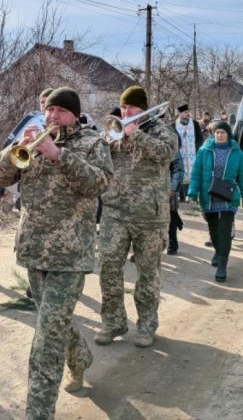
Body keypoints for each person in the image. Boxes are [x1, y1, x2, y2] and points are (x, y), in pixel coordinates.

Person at [0, 86, 113, 419]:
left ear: (73, 114)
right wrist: (15, 148)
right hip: (33, 251)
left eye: (59, 111)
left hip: (71, 257)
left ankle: (38, 413)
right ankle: (80, 357)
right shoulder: (31, 143)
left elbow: (99, 184)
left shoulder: (93, 144)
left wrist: (60, 156)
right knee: (53, 322)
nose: (52, 116)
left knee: (46, 338)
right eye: (49, 110)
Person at [97, 86, 178, 348]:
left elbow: (168, 154)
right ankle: (113, 322)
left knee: (147, 274)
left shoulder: (162, 131)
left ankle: (146, 325)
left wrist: (137, 134)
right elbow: (98, 160)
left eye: (131, 107)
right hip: (115, 212)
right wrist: (105, 142)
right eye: (123, 108)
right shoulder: (115, 131)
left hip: (150, 217)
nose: (126, 112)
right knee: (108, 268)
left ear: (143, 109)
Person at [187, 121, 243, 282]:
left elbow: (242, 176)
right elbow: (196, 173)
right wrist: (192, 193)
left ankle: (222, 265)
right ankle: (219, 252)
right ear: (214, 134)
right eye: (217, 132)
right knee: (214, 229)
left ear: (228, 134)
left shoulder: (237, 153)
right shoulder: (204, 151)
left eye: (222, 132)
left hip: (228, 196)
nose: (219, 135)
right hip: (208, 195)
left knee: (225, 231)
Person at [172, 104, 203, 200]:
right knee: (181, 174)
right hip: (180, 155)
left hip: (193, 155)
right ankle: (182, 197)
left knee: (194, 174)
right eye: (185, 112)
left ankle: (192, 196)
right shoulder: (173, 125)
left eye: (188, 112)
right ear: (180, 113)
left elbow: (200, 139)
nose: (187, 114)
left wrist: (196, 150)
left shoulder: (195, 124)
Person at [167, 146, 185, 255]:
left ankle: (173, 243)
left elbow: (178, 168)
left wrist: (173, 188)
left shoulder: (168, 135)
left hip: (167, 185)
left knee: (170, 214)